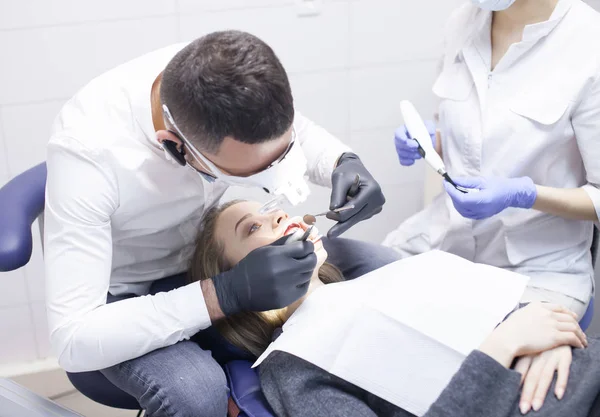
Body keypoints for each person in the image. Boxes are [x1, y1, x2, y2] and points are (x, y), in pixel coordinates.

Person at [44, 30, 398, 416]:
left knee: (389, 268)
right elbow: (73, 339)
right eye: (257, 173)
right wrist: (225, 293)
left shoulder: (225, 74)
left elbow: (293, 134)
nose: (278, 205)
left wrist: (340, 161)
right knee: (194, 392)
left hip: (220, 251)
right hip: (129, 291)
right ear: (175, 146)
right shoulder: (88, 156)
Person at [187, 199, 598, 417]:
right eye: (253, 228)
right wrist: (501, 348)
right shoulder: (293, 367)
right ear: (237, 284)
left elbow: (534, 317)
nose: (276, 215)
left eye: (268, 208)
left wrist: (552, 337)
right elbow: (510, 335)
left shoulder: (392, 276)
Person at [387, 0, 600, 413]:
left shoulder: (590, 47)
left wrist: (525, 193)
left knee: (500, 393)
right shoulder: (463, 22)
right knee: (383, 347)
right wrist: (431, 142)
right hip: (444, 245)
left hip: (539, 271)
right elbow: (468, 141)